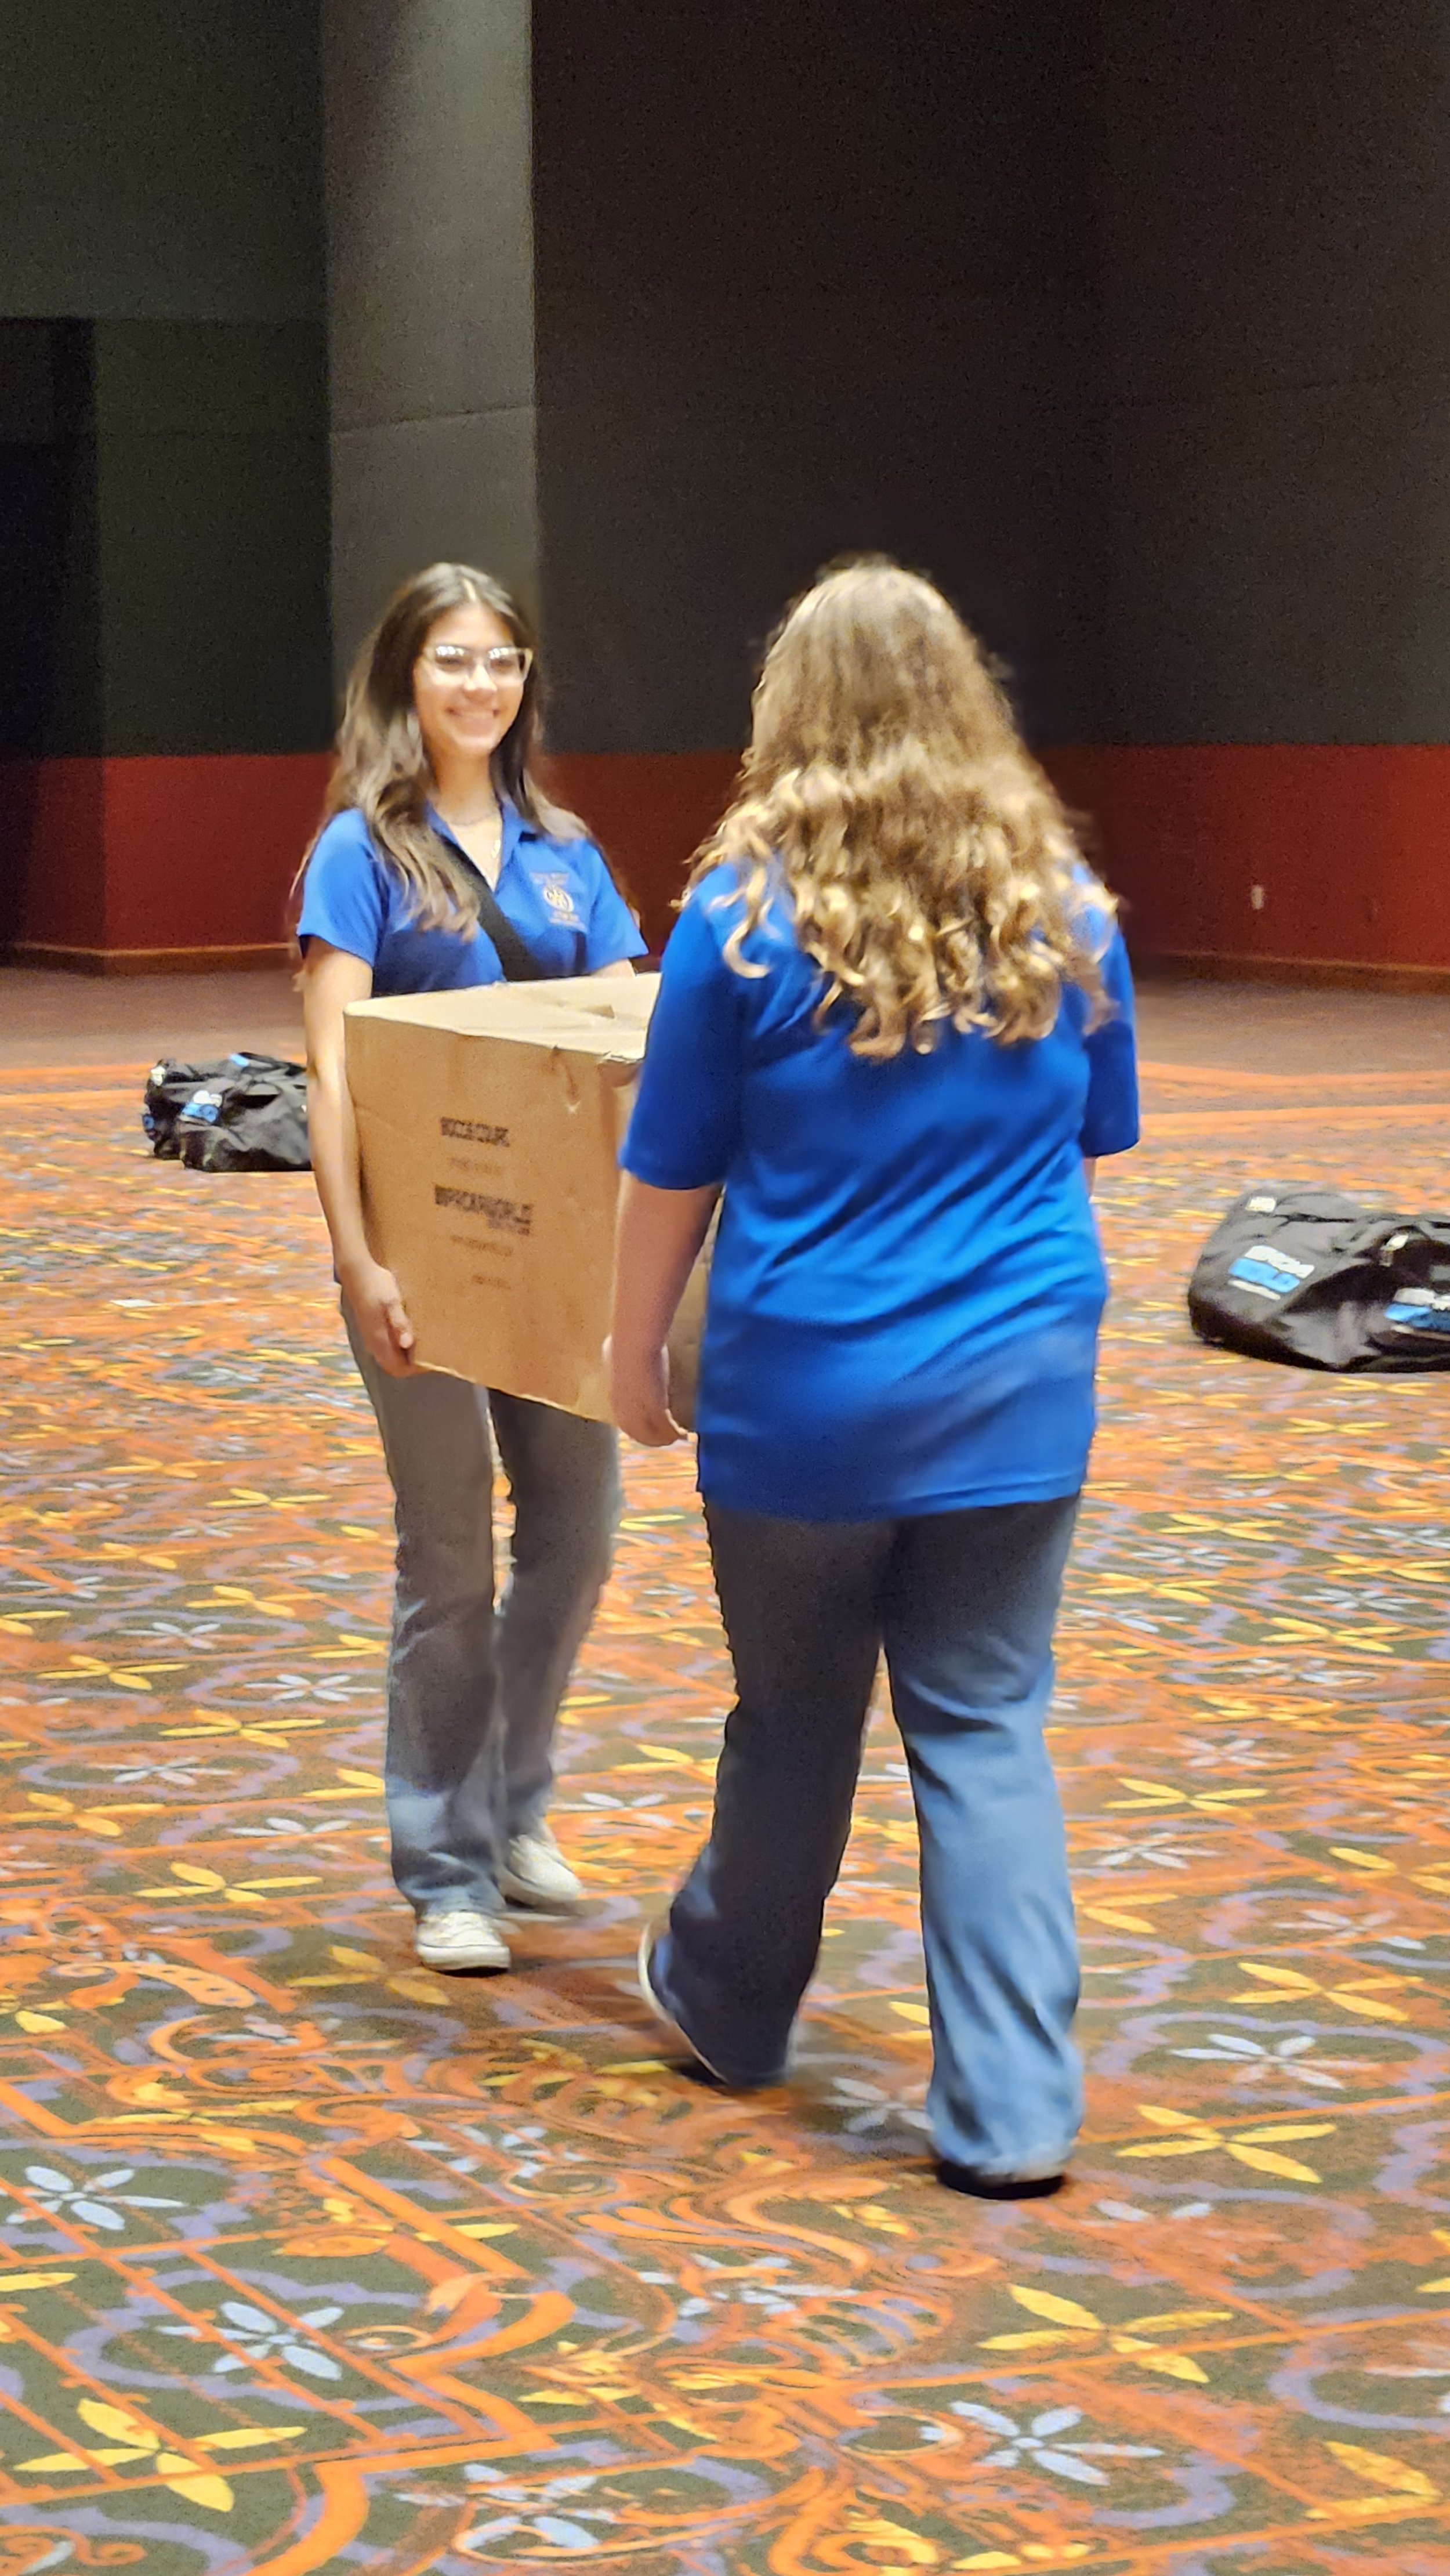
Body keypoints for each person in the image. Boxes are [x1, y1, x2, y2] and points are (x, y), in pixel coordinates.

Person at [608, 559, 1138, 2197]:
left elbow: (670, 1173)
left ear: (793, 713)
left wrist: (631, 1350)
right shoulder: (1067, 909)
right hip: (1016, 1388)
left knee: (792, 1725)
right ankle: (1010, 2109)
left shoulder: (742, 920)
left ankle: (729, 2000)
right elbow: (1092, 1141)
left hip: (804, 1400)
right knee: (983, 1728)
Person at [298, 562, 645, 1973]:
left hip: (554, 1255)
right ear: (404, 680)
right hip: (416, 1261)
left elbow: (630, 1024)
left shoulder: (568, 850)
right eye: (451, 661)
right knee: (446, 1560)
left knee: (577, 1531)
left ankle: (510, 1809)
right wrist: (357, 1257)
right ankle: (442, 1862)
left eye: (500, 662)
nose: (479, 685)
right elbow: (330, 1074)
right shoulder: (360, 854)